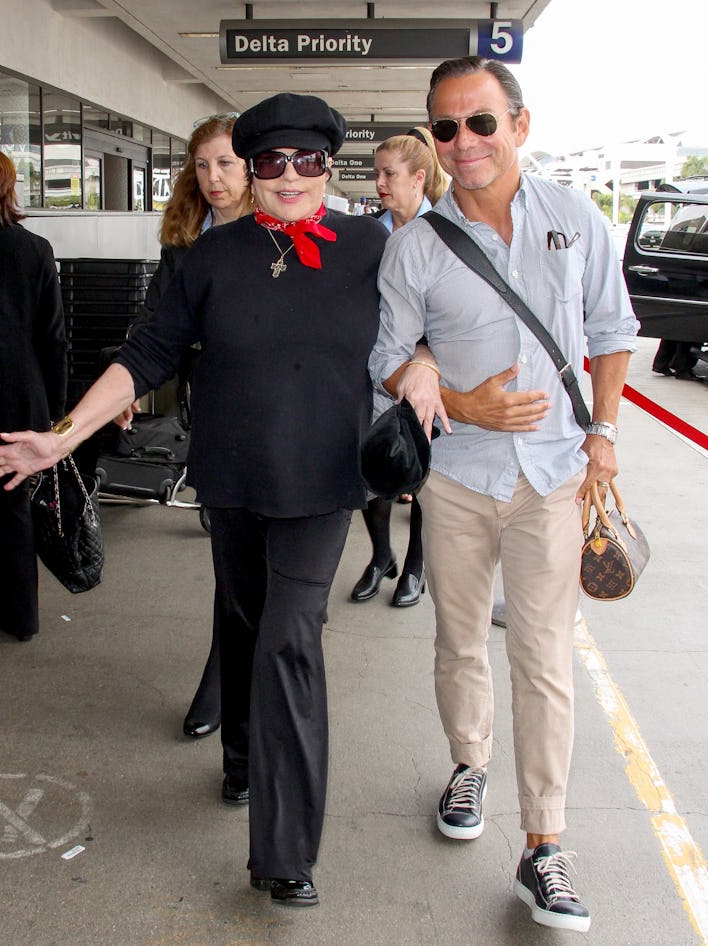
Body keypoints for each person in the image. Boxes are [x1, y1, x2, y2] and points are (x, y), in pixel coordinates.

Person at [0, 92, 388, 907]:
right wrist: (62, 434)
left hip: (322, 483)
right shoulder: (209, 258)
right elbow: (146, 352)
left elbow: (418, 330)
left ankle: (283, 852)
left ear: (328, 167)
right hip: (232, 475)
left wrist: (432, 373)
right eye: (272, 162)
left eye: (309, 161)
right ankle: (240, 760)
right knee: (240, 626)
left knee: (289, 641)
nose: (291, 176)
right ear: (254, 174)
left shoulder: (373, 247)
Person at [369, 57, 639, 933]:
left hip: (555, 479)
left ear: (519, 126)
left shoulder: (575, 218)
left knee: (545, 661)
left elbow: (611, 330)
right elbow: (387, 359)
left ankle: (543, 843)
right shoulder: (416, 243)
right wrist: (456, 401)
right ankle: (468, 763)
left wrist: (602, 433)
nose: (464, 143)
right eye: (445, 129)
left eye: (480, 122)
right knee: (459, 643)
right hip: (456, 479)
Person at [130, 113, 255, 740]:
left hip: (277, 412)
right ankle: (224, 678)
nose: (213, 177)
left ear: (252, 167)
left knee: (274, 572)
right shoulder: (184, 239)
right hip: (211, 412)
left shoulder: (279, 231)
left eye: (226, 163)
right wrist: (125, 386)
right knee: (229, 558)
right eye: (202, 165)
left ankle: (253, 680)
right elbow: (156, 326)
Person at [0, 146, 67, 654]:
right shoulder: (36, 248)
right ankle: (18, 616)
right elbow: (54, 338)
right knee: (15, 505)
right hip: (21, 396)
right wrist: (58, 417)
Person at [350, 127, 449, 608]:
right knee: (375, 468)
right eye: (377, 173)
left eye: (389, 173)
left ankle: (415, 565)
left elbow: (454, 312)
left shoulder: (446, 235)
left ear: (419, 178)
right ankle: (380, 556)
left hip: (429, 377)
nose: (380, 183)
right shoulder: (371, 234)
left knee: (424, 473)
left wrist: (426, 357)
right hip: (373, 370)